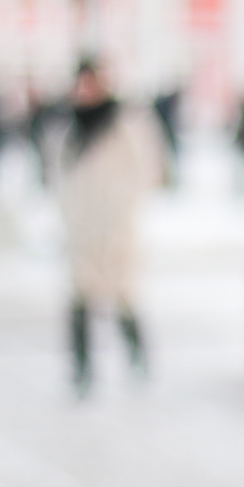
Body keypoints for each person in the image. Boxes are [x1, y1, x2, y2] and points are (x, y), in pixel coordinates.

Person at [59, 58, 158, 394]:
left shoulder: (125, 121)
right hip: (81, 228)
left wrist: (122, 206)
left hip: (116, 226)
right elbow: (61, 173)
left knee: (123, 297)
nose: (85, 90)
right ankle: (82, 370)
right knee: (79, 300)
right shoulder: (70, 125)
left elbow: (148, 168)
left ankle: (138, 355)